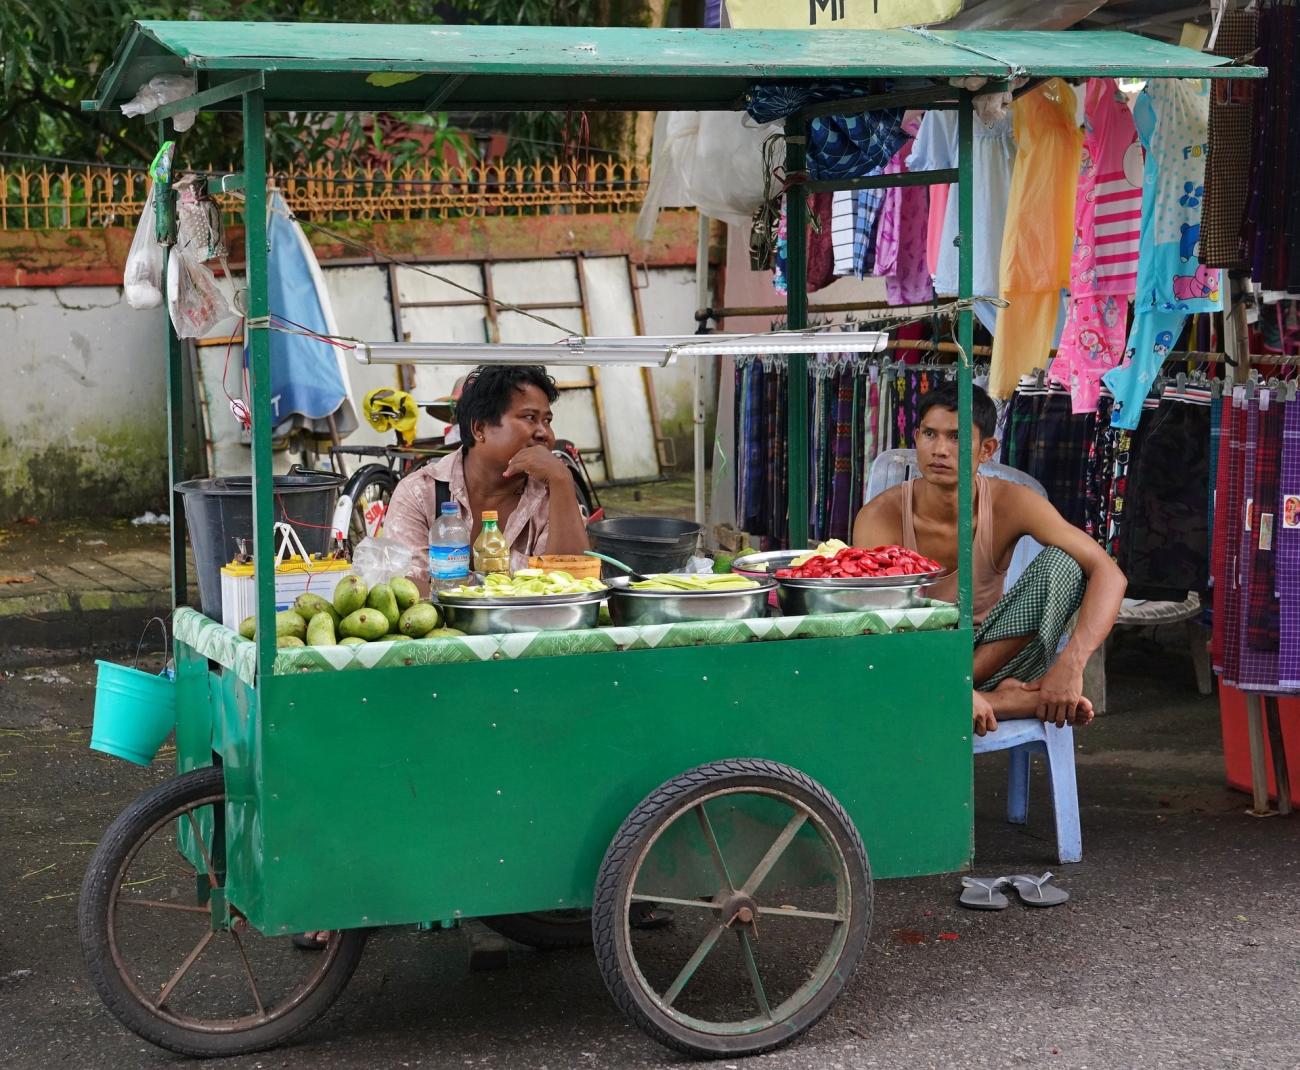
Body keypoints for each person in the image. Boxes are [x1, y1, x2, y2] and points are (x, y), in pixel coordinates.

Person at [851, 381, 1126, 737]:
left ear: (987, 449)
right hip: (911, 662)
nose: (940, 450)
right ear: (915, 437)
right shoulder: (879, 517)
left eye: (956, 438)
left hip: (992, 656)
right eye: (930, 434)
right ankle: (998, 700)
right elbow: (875, 629)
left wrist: (1072, 664)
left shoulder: (1010, 502)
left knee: (1065, 563)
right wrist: (952, 684)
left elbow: (1109, 572)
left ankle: (969, 695)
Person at [384, 364, 589, 590]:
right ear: (479, 428)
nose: (544, 433)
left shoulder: (552, 495)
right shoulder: (419, 493)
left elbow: (574, 586)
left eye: (547, 421)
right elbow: (407, 589)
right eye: (530, 417)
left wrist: (562, 479)